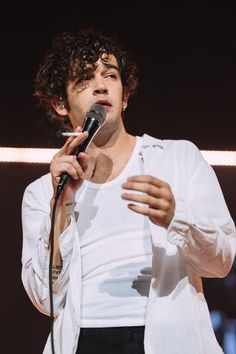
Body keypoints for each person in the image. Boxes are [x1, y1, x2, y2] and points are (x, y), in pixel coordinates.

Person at [21, 27, 236, 354]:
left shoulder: (178, 158)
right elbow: (44, 297)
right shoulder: (42, 192)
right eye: (84, 79)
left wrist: (176, 216)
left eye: (110, 75)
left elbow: (221, 261)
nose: (100, 85)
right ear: (60, 103)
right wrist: (61, 206)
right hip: (81, 342)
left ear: (125, 96)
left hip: (168, 340)